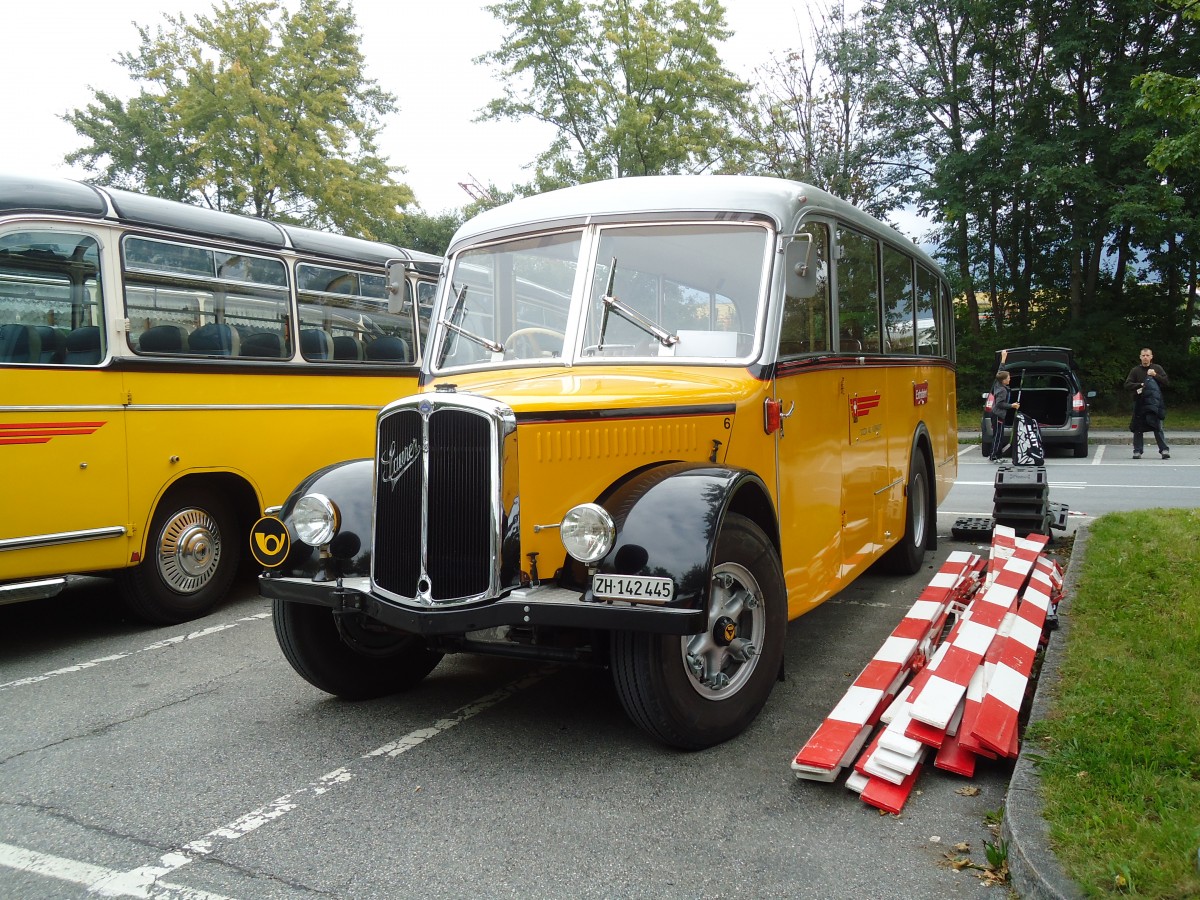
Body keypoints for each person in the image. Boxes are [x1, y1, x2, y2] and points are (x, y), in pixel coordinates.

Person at [1125, 347, 1169, 459]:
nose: (1145, 357)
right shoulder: (1135, 370)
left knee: (1157, 427)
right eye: (1143, 355)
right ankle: (1137, 451)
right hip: (1140, 403)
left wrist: (1155, 375)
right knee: (1138, 428)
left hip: (1155, 403)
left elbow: (1166, 382)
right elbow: (1127, 385)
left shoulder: (1157, 368)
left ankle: (1164, 450)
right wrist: (1140, 385)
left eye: (1147, 355)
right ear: (1140, 357)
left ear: (1151, 357)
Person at [988, 367, 1020, 461]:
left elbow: (999, 373)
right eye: (1008, 377)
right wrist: (1012, 406)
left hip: (997, 415)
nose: (1010, 379)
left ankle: (999, 456)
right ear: (1003, 380)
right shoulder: (1002, 390)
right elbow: (999, 404)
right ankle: (993, 456)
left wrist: (1003, 359)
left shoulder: (998, 384)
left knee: (1000, 436)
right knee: (997, 436)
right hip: (998, 415)